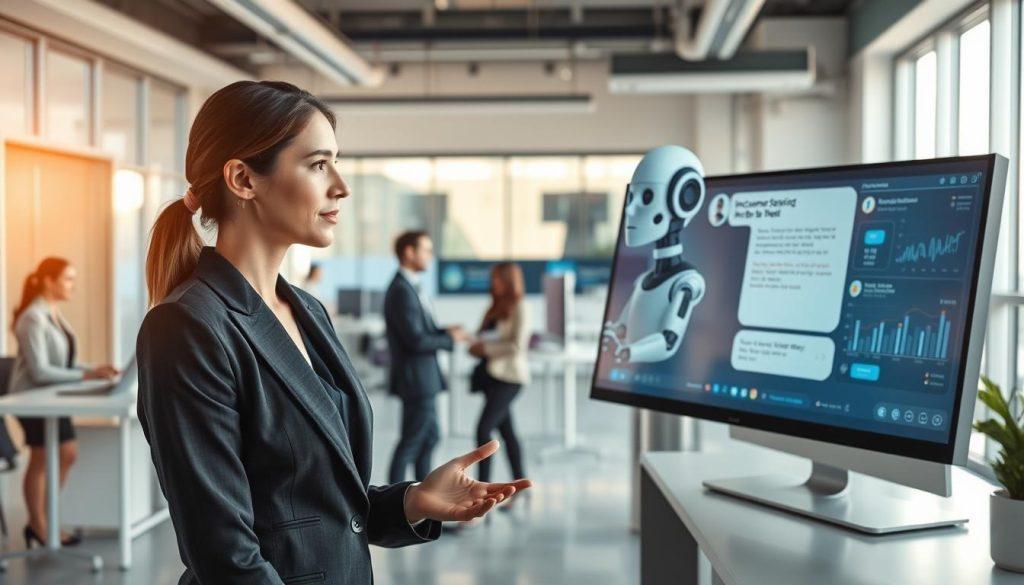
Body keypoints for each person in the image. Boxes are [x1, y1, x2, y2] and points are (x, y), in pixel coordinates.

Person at [136, 80, 529, 585]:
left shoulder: (307, 311)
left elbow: (320, 508)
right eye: (319, 164)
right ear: (243, 179)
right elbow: (224, 554)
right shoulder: (187, 326)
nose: (341, 186)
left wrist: (413, 502)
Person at [8, 257, 119, 548]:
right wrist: (86, 375)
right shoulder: (32, 317)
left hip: (51, 397)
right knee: (42, 456)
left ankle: (45, 520)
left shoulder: (53, 313)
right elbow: (40, 371)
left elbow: (64, 364)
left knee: (67, 453)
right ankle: (39, 525)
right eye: (68, 279)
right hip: (31, 399)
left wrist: (95, 369)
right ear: (48, 281)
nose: (73, 285)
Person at [385, 231, 470, 484]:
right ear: (409, 252)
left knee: (430, 437)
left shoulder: (411, 286)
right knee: (412, 440)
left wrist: (445, 332)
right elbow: (415, 341)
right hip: (417, 379)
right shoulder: (402, 290)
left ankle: (425, 491)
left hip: (423, 378)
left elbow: (421, 330)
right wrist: (450, 340)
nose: (430, 256)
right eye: (426, 250)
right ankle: (394, 497)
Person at [469, 263, 529, 492]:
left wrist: (485, 348)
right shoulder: (493, 306)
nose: (492, 282)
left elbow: (517, 345)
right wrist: (474, 343)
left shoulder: (521, 307)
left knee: (483, 429)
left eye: (497, 278)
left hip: (510, 378)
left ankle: (482, 491)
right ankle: (521, 486)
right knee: (507, 432)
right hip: (490, 377)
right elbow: (481, 335)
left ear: (508, 280)